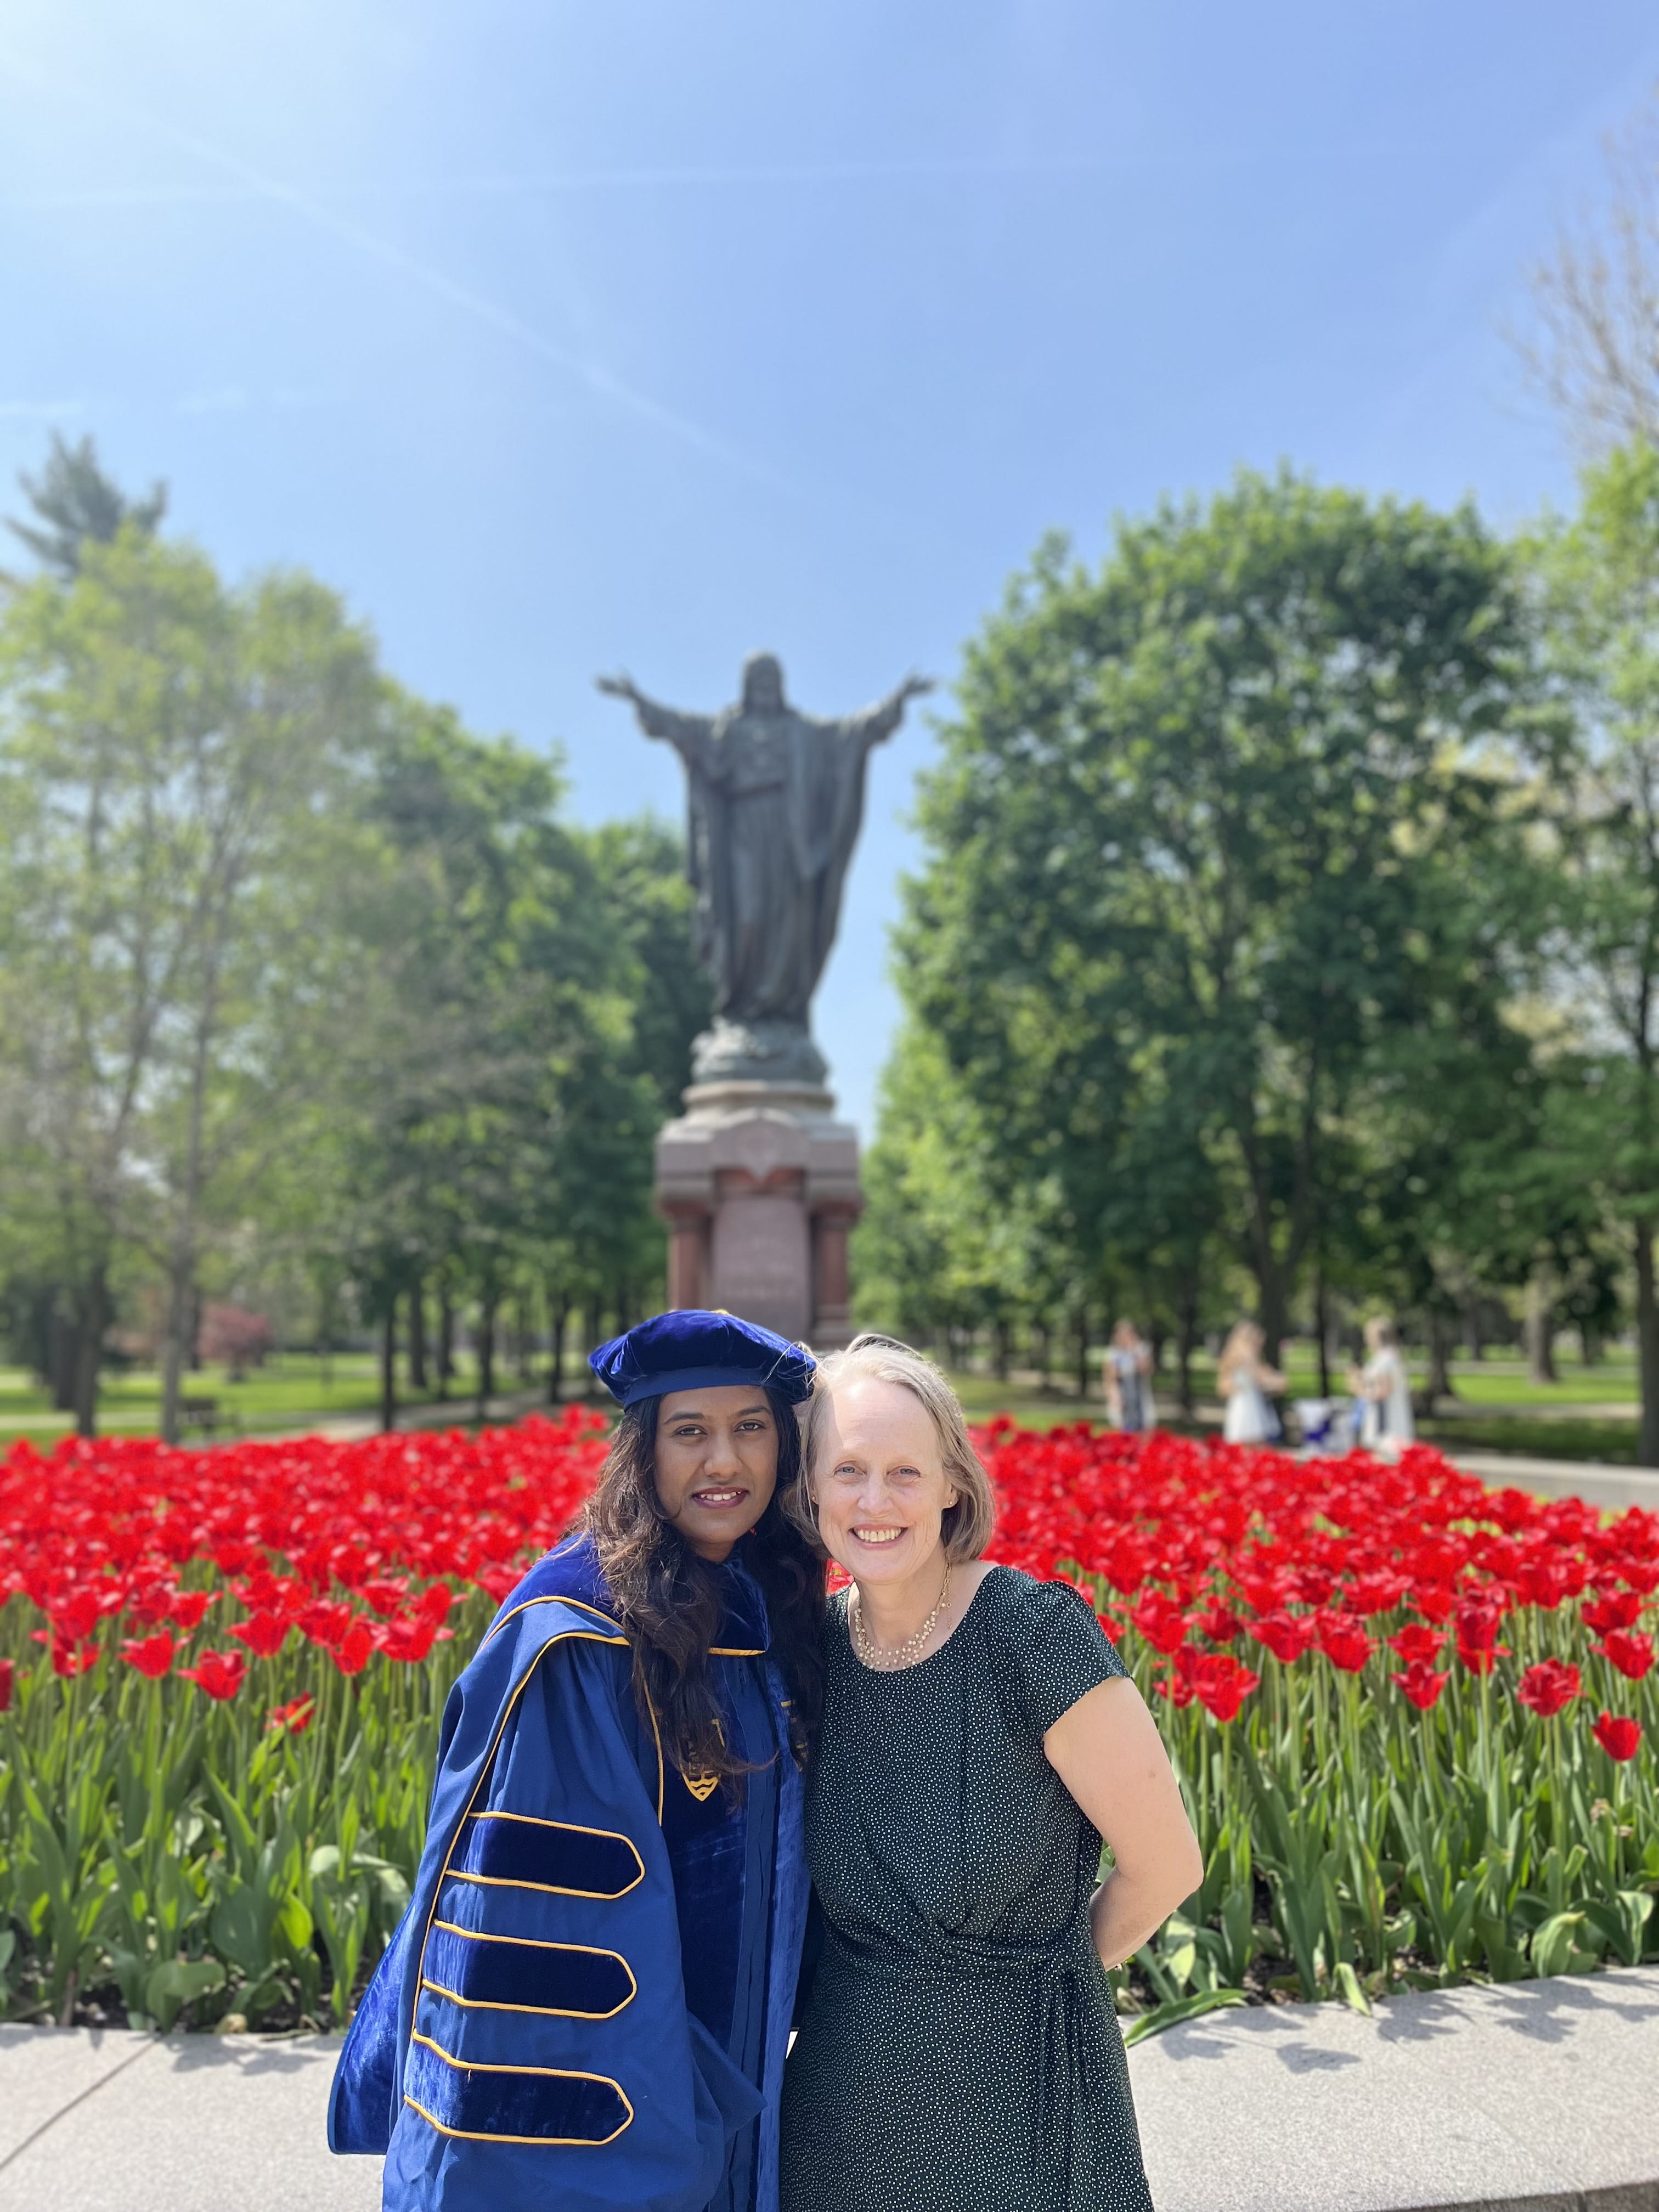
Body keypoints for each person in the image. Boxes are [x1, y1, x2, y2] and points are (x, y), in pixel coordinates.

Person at [329, 1309, 825, 2212]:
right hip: (639, 2109)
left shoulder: (762, 1601)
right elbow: (548, 1926)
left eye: (750, 1428)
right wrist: (687, 2108)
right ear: (642, 1451)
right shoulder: (581, 1639)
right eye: (689, 1432)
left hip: (732, 2070)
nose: (724, 1461)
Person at [778, 1334, 1203, 2212]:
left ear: (952, 1485)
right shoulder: (811, 1651)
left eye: (905, 1472)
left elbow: (1167, 1866)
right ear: (810, 1488)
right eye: (848, 1469)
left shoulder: (1030, 1636)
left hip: (1024, 2110)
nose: (875, 1499)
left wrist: (1037, 1981)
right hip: (837, 2121)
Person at [1351, 1316, 1414, 1455]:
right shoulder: (1387, 1358)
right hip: (1383, 1421)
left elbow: (1382, 1392)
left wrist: (1359, 1388)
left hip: (1387, 1426)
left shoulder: (1386, 1360)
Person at [1217, 1321, 1284, 1444]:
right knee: (1254, 1443)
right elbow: (1259, 1377)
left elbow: (1223, 1385)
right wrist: (1278, 1382)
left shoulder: (1232, 1354)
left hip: (1238, 1403)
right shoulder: (1248, 1355)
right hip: (1249, 1405)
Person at [1103, 1318, 1157, 1434]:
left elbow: (1147, 1369)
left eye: (1128, 1334)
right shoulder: (1113, 1353)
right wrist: (1114, 1396)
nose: (1124, 1338)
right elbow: (1109, 1377)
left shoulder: (1141, 1350)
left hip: (1140, 1396)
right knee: (1122, 1429)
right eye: (1121, 1335)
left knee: (1144, 1429)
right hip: (1122, 1395)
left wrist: (1134, 1351)